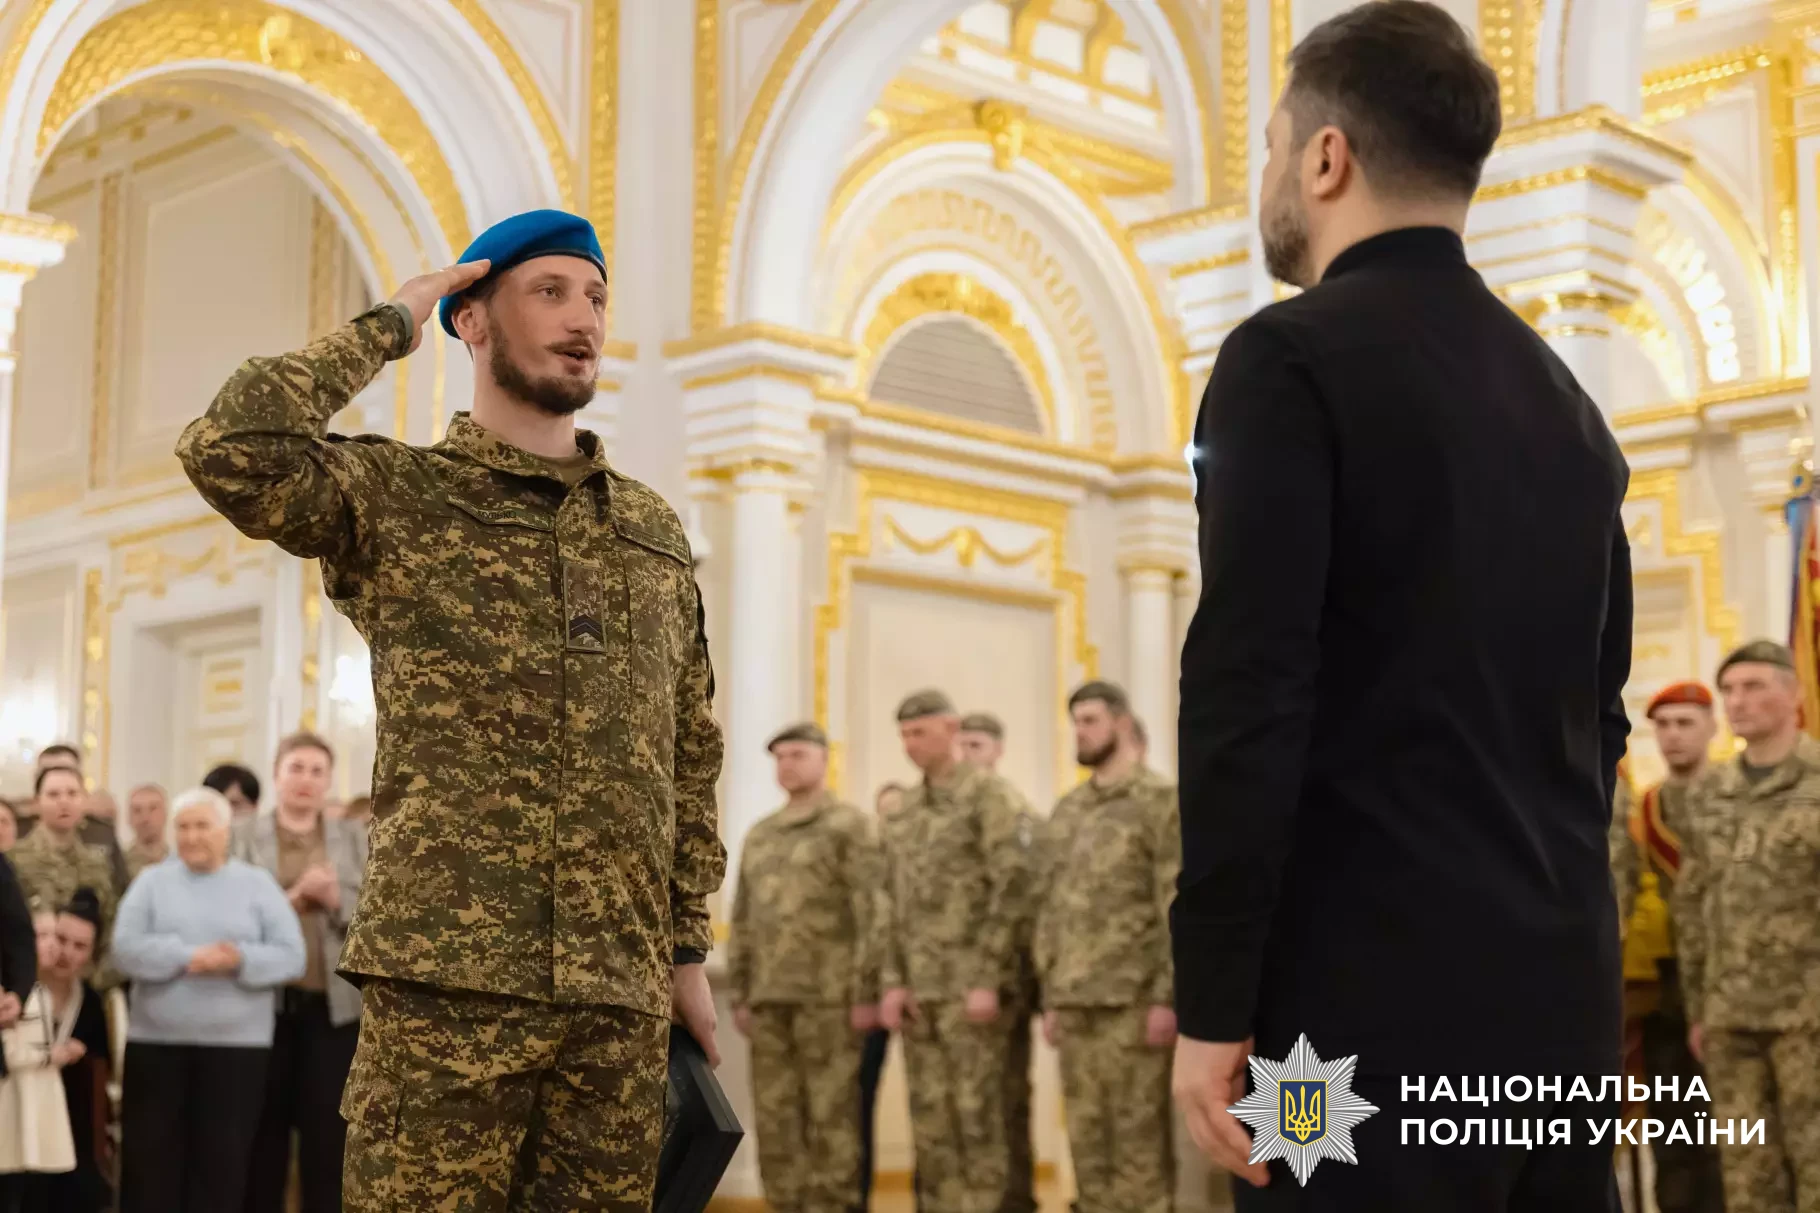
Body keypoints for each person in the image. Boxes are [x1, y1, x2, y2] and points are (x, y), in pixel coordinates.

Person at [1169, 4, 1631, 1209]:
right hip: (1554, 1009)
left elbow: (1247, 694)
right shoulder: (1568, 405)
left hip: (1338, 1024)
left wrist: (1215, 1003)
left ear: (1324, 158)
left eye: (1272, 146)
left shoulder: (1286, 359)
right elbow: (1602, 723)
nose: (1268, 174)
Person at [177, 207, 725, 1212]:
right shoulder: (402, 496)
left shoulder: (649, 530)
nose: (583, 318)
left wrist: (684, 948)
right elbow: (230, 444)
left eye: (595, 296)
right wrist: (395, 318)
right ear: (473, 322)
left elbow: (689, 750)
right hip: (447, 995)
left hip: (616, 997)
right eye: (549, 291)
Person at [878, 690, 1036, 1213]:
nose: (908, 744)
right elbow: (890, 901)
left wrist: (988, 978)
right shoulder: (904, 811)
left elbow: (1012, 887)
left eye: (918, 732)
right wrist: (894, 980)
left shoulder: (990, 797)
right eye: (902, 734)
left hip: (974, 991)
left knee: (980, 1120)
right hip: (923, 993)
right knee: (932, 1124)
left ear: (950, 727)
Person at [1677, 641, 1820, 1213]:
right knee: (1747, 1176)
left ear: (1795, 694)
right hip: (1730, 1016)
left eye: (1755, 686)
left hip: (1808, 1015)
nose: (1738, 701)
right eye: (1729, 690)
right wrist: (1698, 1009)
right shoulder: (1709, 792)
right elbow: (1693, 907)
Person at [111, 788, 304, 1213]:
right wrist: (188, 956)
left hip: (237, 1053)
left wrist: (239, 959)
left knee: (222, 1167)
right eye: (183, 827)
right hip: (156, 1047)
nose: (191, 836)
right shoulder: (151, 882)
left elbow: (293, 956)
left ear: (225, 831)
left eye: (202, 826)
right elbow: (124, 949)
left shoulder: (257, 885)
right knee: (150, 1168)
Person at [1038, 682, 1179, 1213]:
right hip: (1075, 1000)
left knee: (1138, 1141)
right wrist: (1051, 995)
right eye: (1076, 721)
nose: (1081, 731)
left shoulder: (1157, 801)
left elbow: (1172, 900)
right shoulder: (1069, 810)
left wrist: (1166, 995)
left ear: (1121, 723)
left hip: (1133, 1001)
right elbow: (1051, 908)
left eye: (1091, 720)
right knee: (1087, 1141)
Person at [729, 722, 880, 1213]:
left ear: (823, 759)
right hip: (770, 998)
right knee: (776, 1117)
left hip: (830, 998)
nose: (787, 764)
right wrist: (742, 991)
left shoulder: (848, 826)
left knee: (832, 1114)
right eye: (779, 757)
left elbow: (871, 913)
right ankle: (786, 1204)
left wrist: (865, 992)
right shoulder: (762, 834)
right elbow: (745, 918)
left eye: (797, 754)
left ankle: (833, 1205)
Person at [232, 732, 367, 1213]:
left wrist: (335, 901)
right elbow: (228, 915)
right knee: (261, 1138)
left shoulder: (355, 838)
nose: (306, 780)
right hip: (262, 1009)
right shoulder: (241, 836)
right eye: (296, 768)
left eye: (316, 771)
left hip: (333, 1012)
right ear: (276, 774)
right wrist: (289, 901)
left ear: (329, 780)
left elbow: (376, 916)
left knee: (326, 1141)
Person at [1611, 683, 1723, 1213]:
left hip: (1736, 984)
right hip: (1666, 989)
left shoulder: (1735, 797)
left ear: (1711, 727)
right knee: (1675, 1128)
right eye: (1664, 726)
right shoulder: (1645, 808)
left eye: (1685, 723)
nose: (1674, 736)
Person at [0, 910, 77, 1211]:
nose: (51, 946)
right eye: (41, 936)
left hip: (40, 1097)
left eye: (54, 936)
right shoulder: (12, 992)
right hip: (15, 1099)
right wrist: (48, 1057)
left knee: (37, 1185)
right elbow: (8, 1052)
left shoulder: (41, 990)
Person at [38, 892, 110, 1213]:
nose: (66, 953)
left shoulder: (92, 1004)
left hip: (70, 1136)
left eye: (79, 946)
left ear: (92, 955)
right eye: (61, 939)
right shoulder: (15, 991)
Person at [857, 782, 905, 1213]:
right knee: (858, 1103)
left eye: (899, 814)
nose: (891, 824)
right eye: (883, 814)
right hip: (868, 1002)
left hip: (926, 995)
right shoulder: (863, 870)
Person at [9, 770, 116, 954]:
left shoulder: (98, 863)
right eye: (53, 794)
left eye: (72, 794)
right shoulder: (13, 860)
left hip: (83, 974)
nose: (64, 801)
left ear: (84, 801)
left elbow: (108, 925)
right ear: (37, 802)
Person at [124, 785, 168, 883]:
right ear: (129, 818)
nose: (145, 818)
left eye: (153, 809)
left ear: (165, 814)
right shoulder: (119, 866)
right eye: (137, 810)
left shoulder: (180, 863)